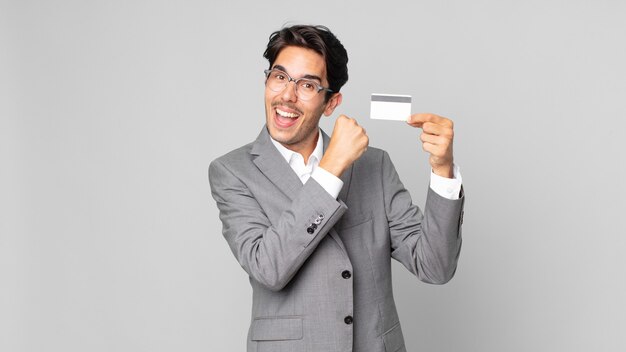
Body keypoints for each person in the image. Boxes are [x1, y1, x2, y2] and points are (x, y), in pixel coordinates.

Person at [209, 24, 464, 352]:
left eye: (307, 85)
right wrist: (332, 168)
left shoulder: (374, 166)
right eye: (280, 77)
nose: (287, 94)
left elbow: (435, 267)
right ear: (267, 81)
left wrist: (443, 170)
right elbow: (268, 268)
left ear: (331, 103)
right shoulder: (232, 172)